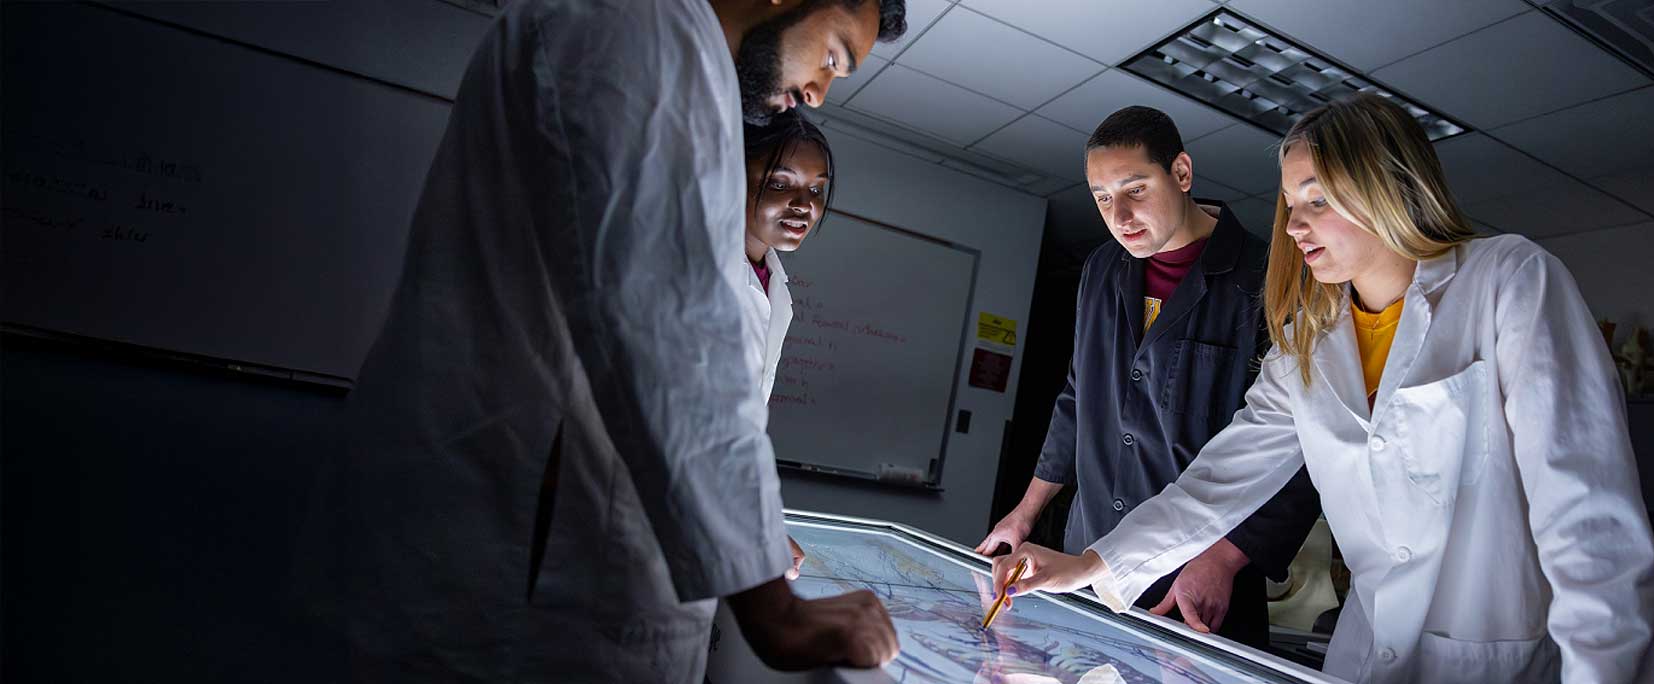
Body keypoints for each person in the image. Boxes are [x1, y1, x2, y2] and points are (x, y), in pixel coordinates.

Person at [295, 0, 907, 680]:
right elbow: (671, 326)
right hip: (511, 575)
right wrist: (774, 607)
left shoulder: (666, 43)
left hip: (535, 553)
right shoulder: (644, 23)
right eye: (832, 57)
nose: (819, 91)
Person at [991, 93, 1654, 683]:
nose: (1292, 225)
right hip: (1364, 654)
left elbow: (1587, 518)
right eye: (1289, 203)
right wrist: (1088, 565)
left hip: (1497, 659)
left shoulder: (1509, 282)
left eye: (1317, 197)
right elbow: (1218, 479)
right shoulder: (1310, 336)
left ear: (1388, 186)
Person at [975, 106, 1321, 649]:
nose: (1120, 215)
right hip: (1086, 558)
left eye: (1135, 189)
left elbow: (1301, 447)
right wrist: (1025, 512)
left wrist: (1222, 559)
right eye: (1103, 197)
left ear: (1181, 173)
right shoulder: (1100, 269)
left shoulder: (1272, 276)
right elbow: (1076, 399)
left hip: (1197, 575)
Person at [737, 110, 836, 578]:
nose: (804, 204)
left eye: (816, 190)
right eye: (780, 183)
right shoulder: (691, 271)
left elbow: (741, 430)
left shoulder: (775, 286)